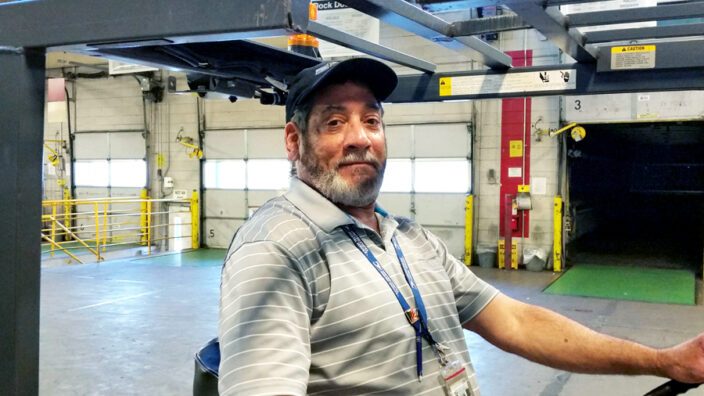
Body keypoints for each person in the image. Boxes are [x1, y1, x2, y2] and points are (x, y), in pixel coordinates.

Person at [218, 58, 704, 395]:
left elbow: (515, 321)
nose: (360, 139)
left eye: (371, 120)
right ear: (292, 140)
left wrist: (664, 361)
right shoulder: (276, 249)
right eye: (334, 123)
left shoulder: (407, 236)